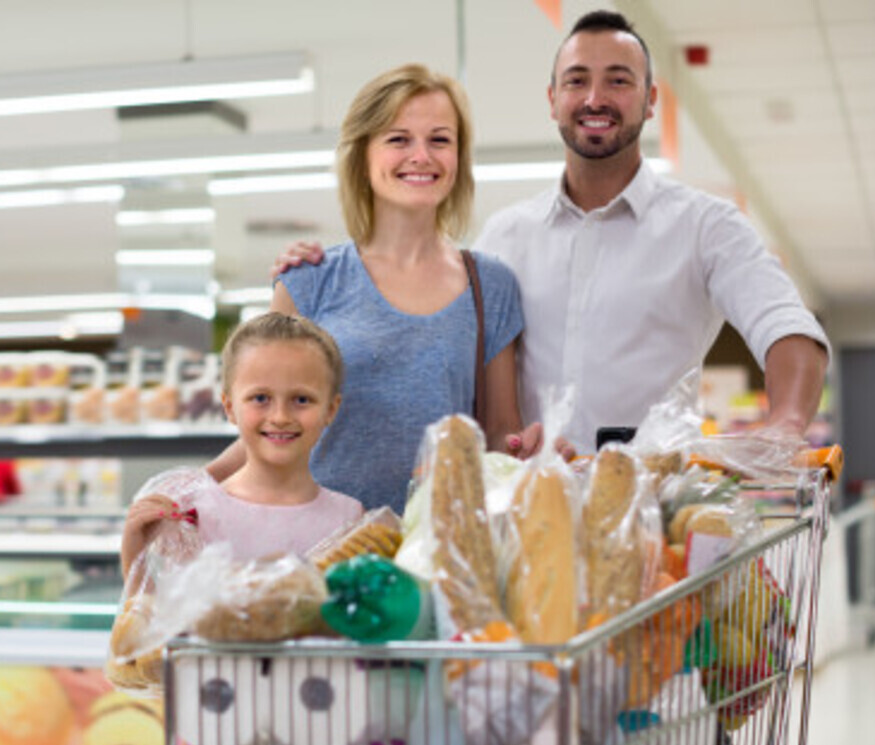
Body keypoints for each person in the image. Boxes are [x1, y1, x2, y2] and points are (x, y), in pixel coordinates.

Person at [275, 11, 829, 454]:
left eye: (619, 81)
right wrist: (327, 270)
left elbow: (784, 327)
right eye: (577, 81)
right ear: (552, 100)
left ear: (650, 99)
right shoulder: (503, 238)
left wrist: (784, 423)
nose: (595, 99)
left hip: (652, 513)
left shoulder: (706, 227)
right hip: (525, 518)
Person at [211, 63, 541, 516]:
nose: (421, 156)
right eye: (398, 139)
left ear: (459, 158)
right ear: (363, 156)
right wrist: (187, 490)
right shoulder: (311, 280)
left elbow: (501, 431)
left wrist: (532, 458)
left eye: (440, 140)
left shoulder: (491, 286)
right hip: (317, 553)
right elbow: (268, 429)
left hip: (438, 555)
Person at [120, 311, 363, 575]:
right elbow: (151, 612)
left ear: (331, 409)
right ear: (229, 407)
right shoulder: (193, 517)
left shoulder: (350, 521)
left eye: (302, 399)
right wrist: (133, 552)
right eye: (260, 398)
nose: (280, 417)